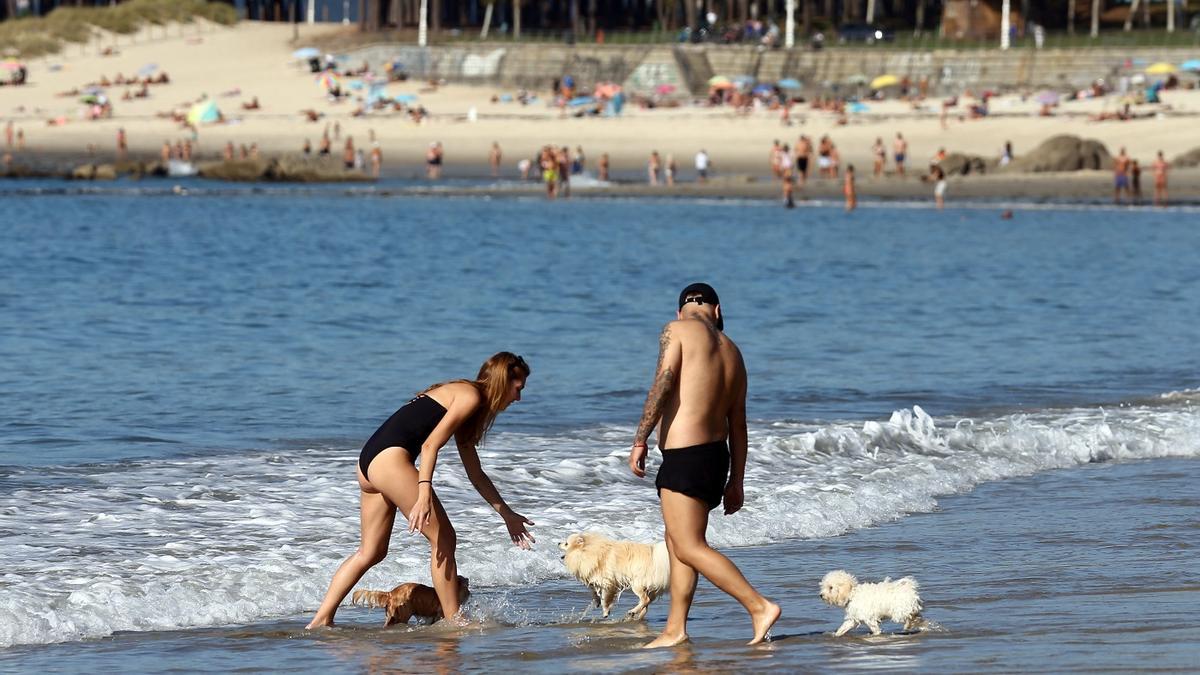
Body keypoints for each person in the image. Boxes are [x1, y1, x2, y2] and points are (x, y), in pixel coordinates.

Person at [307, 353, 535, 629]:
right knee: (445, 538)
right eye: (517, 388)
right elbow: (429, 446)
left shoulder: (464, 398)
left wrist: (507, 514)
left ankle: (320, 620)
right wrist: (423, 493)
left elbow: (475, 474)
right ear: (503, 381)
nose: (518, 398)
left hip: (370, 461)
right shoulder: (470, 396)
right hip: (389, 459)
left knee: (371, 552)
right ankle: (454, 621)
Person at [628, 284, 781, 648]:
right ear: (717, 309)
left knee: (688, 545)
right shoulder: (734, 352)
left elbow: (663, 383)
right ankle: (675, 629)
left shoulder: (676, 329)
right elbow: (739, 424)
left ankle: (759, 606)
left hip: (685, 457)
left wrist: (640, 438)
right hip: (716, 458)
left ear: (681, 310)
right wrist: (736, 481)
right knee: (678, 541)